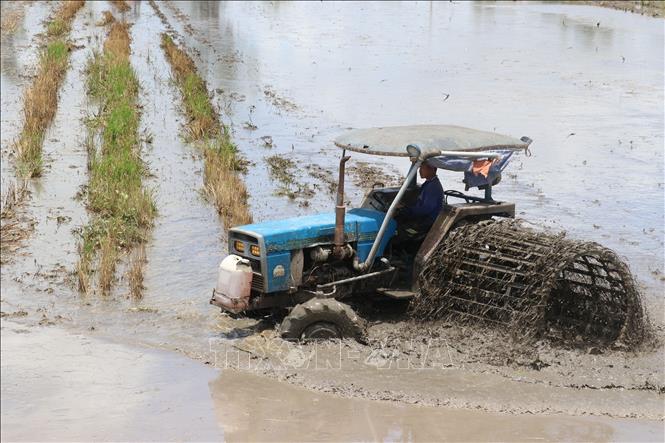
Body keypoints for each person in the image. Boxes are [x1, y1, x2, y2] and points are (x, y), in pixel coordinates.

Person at [401, 162, 443, 227]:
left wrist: (407, 210)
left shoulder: (433, 187)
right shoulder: (428, 183)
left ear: (431, 169)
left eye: (422, 168)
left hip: (429, 219)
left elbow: (426, 209)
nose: (419, 171)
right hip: (424, 215)